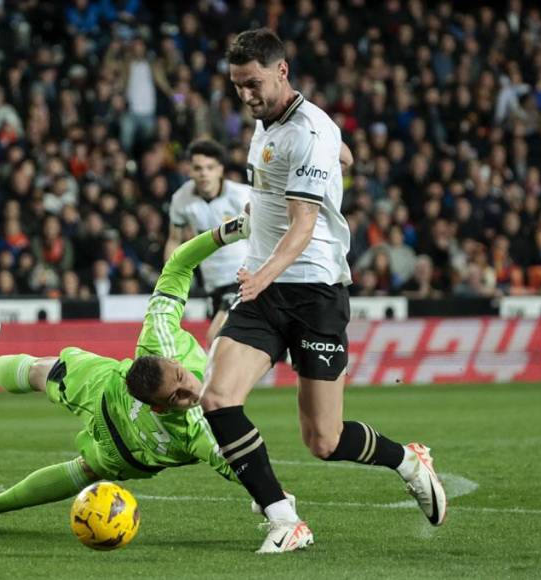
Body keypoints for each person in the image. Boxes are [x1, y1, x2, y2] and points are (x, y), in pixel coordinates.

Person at [197, 29, 447, 554]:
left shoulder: (309, 131)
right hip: (264, 291)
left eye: (254, 83)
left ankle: (406, 459)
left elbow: (305, 225)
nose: (246, 95)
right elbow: (341, 157)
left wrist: (262, 273)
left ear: (282, 70)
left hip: (313, 293)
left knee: (324, 441)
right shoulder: (273, 124)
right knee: (217, 398)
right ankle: (284, 518)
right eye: (238, 86)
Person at [0, 216, 256, 532]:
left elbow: (178, 264)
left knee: (42, 373)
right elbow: (241, 466)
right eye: (179, 394)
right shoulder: (199, 426)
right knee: (83, 458)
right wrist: (273, 501)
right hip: (121, 435)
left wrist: (232, 230)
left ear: (173, 363)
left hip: (112, 411)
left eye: (183, 380)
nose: (193, 392)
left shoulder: (158, 338)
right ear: (159, 404)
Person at [165, 138, 251, 346]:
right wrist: (170, 281)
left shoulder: (241, 195)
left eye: (210, 168)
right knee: (227, 346)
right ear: (190, 171)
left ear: (220, 170)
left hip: (242, 275)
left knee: (215, 338)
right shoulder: (181, 199)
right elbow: (174, 240)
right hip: (212, 282)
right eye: (198, 168)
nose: (204, 173)